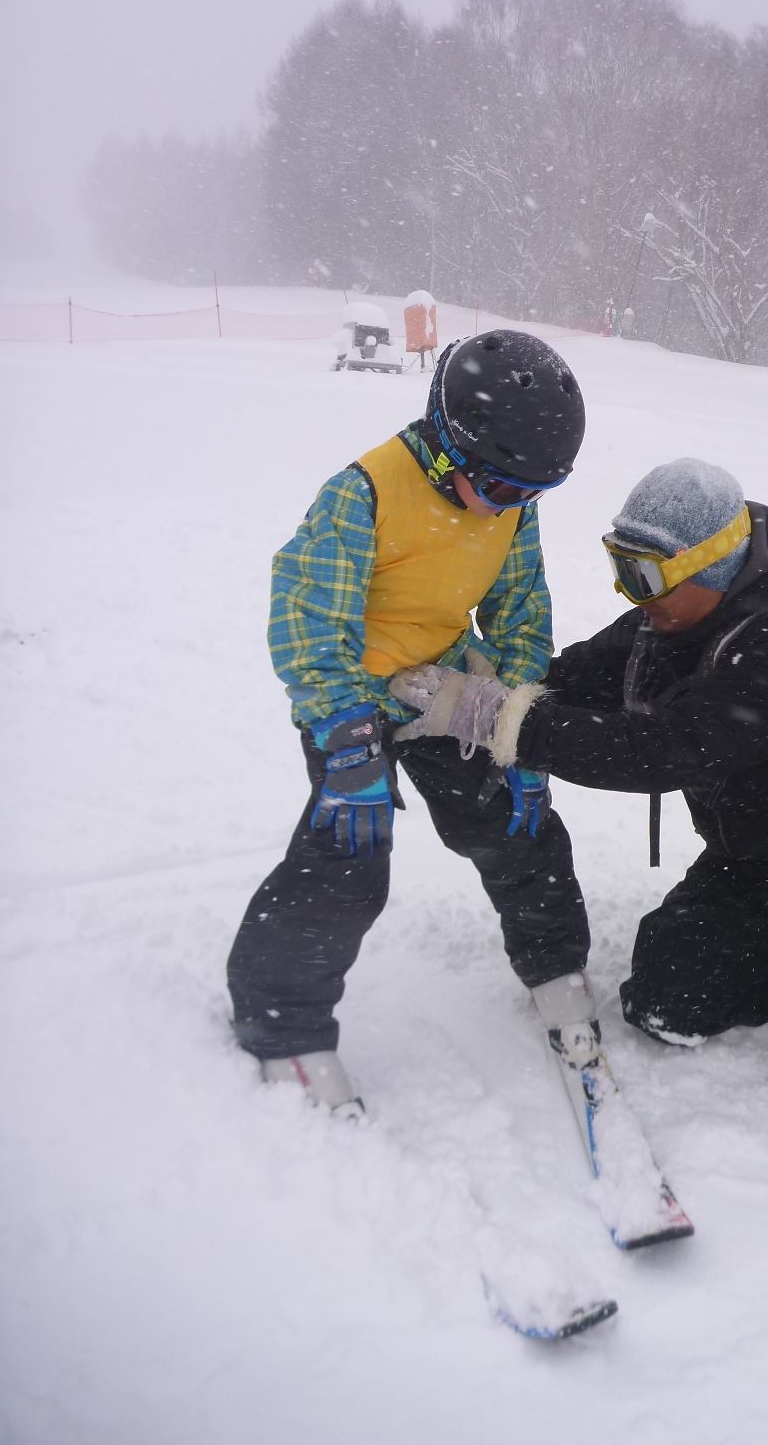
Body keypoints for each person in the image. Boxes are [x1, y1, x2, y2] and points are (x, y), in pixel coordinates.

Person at [390, 458, 768, 1092]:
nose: (630, 592)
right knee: (665, 1004)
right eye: (621, 566)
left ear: (712, 565)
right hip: (762, 858)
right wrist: (494, 692)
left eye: (643, 574)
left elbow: (661, 749)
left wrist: (501, 723)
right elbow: (579, 681)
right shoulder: (669, 619)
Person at [228, 329, 605, 1117]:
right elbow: (305, 620)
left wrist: (518, 709)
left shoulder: (509, 502)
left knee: (513, 822)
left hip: (438, 682)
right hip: (352, 697)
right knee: (348, 859)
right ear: (446, 448)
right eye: (502, 490)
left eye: (532, 494)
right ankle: (283, 1022)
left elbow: (519, 604)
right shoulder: (362, 494)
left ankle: (555, 966)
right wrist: (344, 736)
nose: (515, 507)